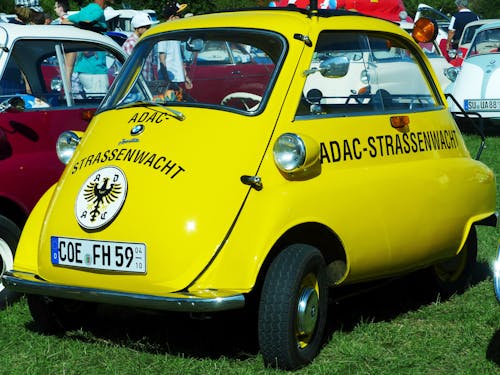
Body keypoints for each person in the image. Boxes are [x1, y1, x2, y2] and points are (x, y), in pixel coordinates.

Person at [157, 2, 192, 90]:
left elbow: (178, 58)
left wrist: (185, 77)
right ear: (172, 17)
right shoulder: (164, 33)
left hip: (177, 78)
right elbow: (162, 59)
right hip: (169, 80)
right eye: (179, 15)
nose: (181, 18)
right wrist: (167, 81)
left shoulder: (174, 33)